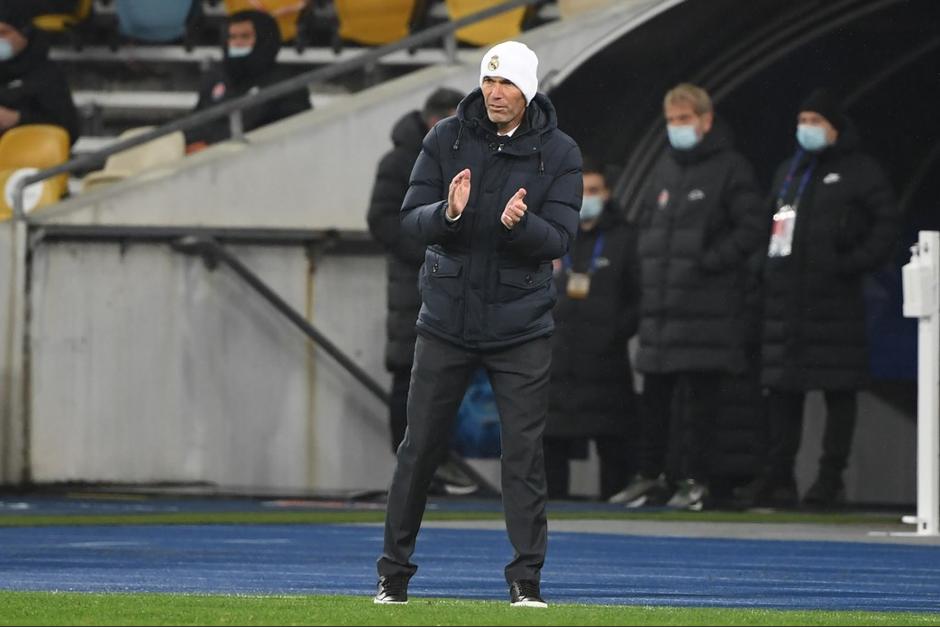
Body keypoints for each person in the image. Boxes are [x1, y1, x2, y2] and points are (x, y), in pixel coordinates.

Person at [374, 40, 582, 608]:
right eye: (489, 80)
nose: (494, 92)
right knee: (419, 449)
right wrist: (448, 213)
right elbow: (410, 220)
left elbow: (561, 238)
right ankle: (392, 575)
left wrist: (522, 225)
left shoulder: (560, 151)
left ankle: (525, 580)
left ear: (528, 89)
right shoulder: (445, 137)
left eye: (506, 82)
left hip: (521, 325)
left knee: (523, 455)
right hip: (447, 318)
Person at [738, 89, 899, 508]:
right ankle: (779, 477)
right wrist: (763, 268)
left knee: (838, 392)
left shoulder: (861, 172)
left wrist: (849, 264)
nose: (806, 128)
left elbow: (885, 226)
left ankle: (830, 480)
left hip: (836, 304)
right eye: (802, 120)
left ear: (835, 128)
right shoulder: (789, 172)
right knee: (782, 393)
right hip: (785, 305)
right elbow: (767, 225)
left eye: (816, 121)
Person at [612, 83, 765, 510]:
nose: (676, 127)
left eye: (684, 119)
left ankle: (695, 479)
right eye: (671, 120)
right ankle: (650, 476)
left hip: (706, 310)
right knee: (654, 400)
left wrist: (709, 261)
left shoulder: (731, 168)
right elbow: (646, 226)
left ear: (705, 120)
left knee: (700, 404)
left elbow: (752, 227)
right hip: (661, 310)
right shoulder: (664, 167)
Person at [366, 86, 479, 496]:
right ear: (436, 119)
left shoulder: (460, 158)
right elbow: (382, 220)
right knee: (409, 373)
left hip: (451, 284)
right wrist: (431, 250)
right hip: (414, 285)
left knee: (444, 376)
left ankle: (435, 462)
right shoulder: (400, 162)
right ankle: (411, 466)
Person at [543, 156, 639, 501]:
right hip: (557, 364)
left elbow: (638, 297)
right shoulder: (553, 235)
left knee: (613, 449)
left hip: (605, 364)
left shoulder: (625, 238)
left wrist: (614, 333)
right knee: (550, 451)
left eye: (594, 190)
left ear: (608, 193)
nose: (587, 198)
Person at [185, 10, 310, 150]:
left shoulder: (285, 82)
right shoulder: (216, 76)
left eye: (245, 36)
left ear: (263, 39)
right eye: (232, 37)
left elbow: (281, 129)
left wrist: (209, 145)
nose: (237, 43)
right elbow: (198, 119)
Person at [0, 3, 80, 144]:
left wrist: (18, 118)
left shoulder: (47, 75)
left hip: (32, 152)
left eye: (3, 33)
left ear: (24, 33)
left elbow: (69, 128)